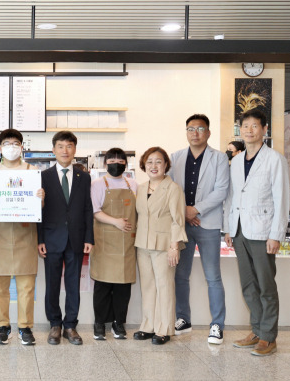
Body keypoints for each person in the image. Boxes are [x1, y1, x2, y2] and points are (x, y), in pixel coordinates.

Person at [224, 109, 289, 356]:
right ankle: (257, 330)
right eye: (245, 126)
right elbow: (232, 196)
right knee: (248, 285)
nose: (249, 130)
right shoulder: (237, 160)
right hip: (240, 231)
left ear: (264, 129)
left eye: (254, 126)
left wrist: (276, 235)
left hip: (263, 233)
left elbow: (281, 199)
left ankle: (269, 337)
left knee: (265, 285)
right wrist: (229, 228)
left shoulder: (275, 160)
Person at [169, 114, 229, 344]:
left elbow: (221, 190)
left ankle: (217, 324)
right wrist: (185, 211)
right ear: (186, 132)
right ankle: (183, 318)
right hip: (182, 224)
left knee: (213, 276)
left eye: (200, 128)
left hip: (208, 224)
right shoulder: (176, 158)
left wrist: (196, 210)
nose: (195, 133)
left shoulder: (220, 158)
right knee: (181, 275)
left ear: (208, 133)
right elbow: (172, 189)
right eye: (190, 129)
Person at [0, 129, 44, 346]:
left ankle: (25, 327)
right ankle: (3, 326)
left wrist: (40, 199)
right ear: (0, 148)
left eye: (16, 143)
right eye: (7, 143)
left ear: (22, 147)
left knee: (26, 286)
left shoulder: (32, 171)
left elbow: (39, 208)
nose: (11, 147)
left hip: (25, 233)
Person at [37, 131, 93, 345]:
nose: (65, 150)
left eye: (69, 146)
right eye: (60, 146)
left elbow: (88, 209)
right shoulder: (43, 176)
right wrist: (40, 239)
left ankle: (71, 325)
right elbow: (38, 211)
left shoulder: (84, 177)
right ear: (53, 150)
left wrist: (89, 237)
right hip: (51, 239)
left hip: (76, 239)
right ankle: (55, 325)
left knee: (73, 285)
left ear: (75, 150)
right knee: (51, 284)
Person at [133, 147, 187, 345]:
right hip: (143, 243)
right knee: (148, 286)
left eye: (158, 162)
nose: (153, 166)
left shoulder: (173, 188)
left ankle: (164, 328)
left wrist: (174, 246)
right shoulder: (140, 188)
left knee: (164, 286)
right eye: (149, 162)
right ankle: (148, 325)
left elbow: (177, 220)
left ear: (166, 165)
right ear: (143, 165)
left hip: (165, 245)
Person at [90, 148, 137, 341]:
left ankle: (119, 323)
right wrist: (115, 221)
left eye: (120, 160)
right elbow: (95, 211)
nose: (116, 163)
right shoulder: (98, 184)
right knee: (102, 285)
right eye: (111, 160)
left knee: (123, 286)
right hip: (105, 241)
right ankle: (100, 323)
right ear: (105, 163)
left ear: (126, 164)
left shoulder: (133, 184)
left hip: (127, 242)